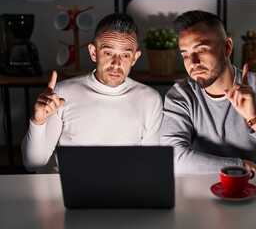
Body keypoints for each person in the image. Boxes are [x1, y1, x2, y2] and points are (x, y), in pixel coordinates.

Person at [160, 10, 256, 175]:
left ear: (227, 47)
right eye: (186, 55)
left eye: (202, 50)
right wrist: (239, 166)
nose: (193, 63)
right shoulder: (180, 96)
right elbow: (172, 158)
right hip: (203, 193)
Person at [22, 12, 163, 173]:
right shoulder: (61, 93)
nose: (116, 64)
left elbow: (150, 165)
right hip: (68, 190)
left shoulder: (150, 99)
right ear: (93, 52)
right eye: (108, 53)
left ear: (135, 58)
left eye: (125, 55)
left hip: (123, 191)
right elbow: (32, 163)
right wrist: (37, 122)